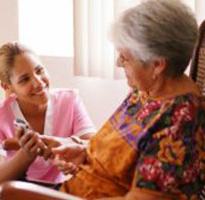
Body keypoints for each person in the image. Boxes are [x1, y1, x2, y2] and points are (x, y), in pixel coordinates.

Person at [44, 0, 205, 199]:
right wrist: (84, 151)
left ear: (157, 65)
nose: (118, 63)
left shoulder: (179, 122)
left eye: (125, 57)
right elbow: (125, 156)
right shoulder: (148, 89)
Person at [0, 42, 96, 199]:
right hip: (12, 194)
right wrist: (26, 154)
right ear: (8, 86)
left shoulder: (70, 100)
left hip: (53, 193)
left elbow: (94, 147)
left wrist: (70, 150)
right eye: (24, 79)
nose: (38, 82)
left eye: (39, 71)